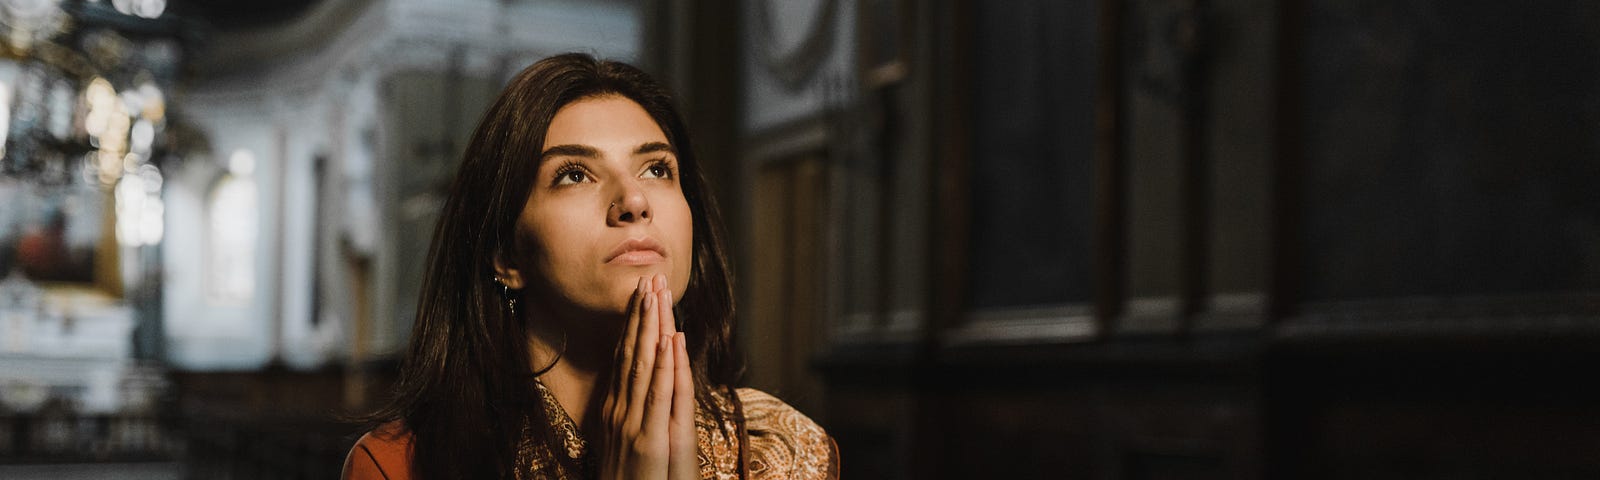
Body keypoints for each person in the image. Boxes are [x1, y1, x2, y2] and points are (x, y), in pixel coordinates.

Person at [340, 53, 837, 480]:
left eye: (657, 169)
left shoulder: (790, 454)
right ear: (506, 255)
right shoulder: (402, 464)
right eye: (575, 174)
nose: (634, 200)